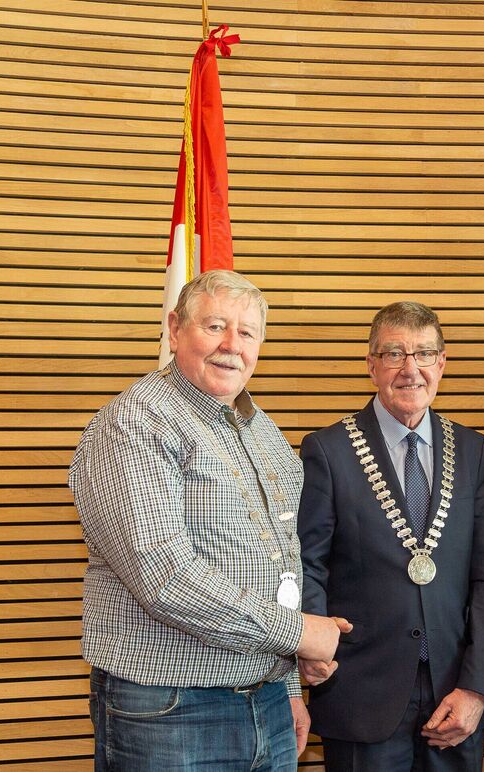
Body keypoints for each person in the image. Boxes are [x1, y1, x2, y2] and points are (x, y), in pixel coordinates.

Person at [69, 270, 348, 772]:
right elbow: (163, 576)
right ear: (175, 329)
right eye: (215, 325)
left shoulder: (261, 428)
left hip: (265, 703)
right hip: (170, 708)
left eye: (247, 332)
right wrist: (297, 635)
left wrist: (286, 684)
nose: (231, 345)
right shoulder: (136, 421)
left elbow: (282, 564)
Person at [297, 301, 484, 771]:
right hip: (358, 691)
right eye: (394, 353)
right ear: (371, 366)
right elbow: (307, 564)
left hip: (454, 697)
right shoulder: (327, 450)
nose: (410, 369)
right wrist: (315, 649)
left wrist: (476, 687)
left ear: (442, 363)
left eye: (424, 354)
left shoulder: (474, 452)